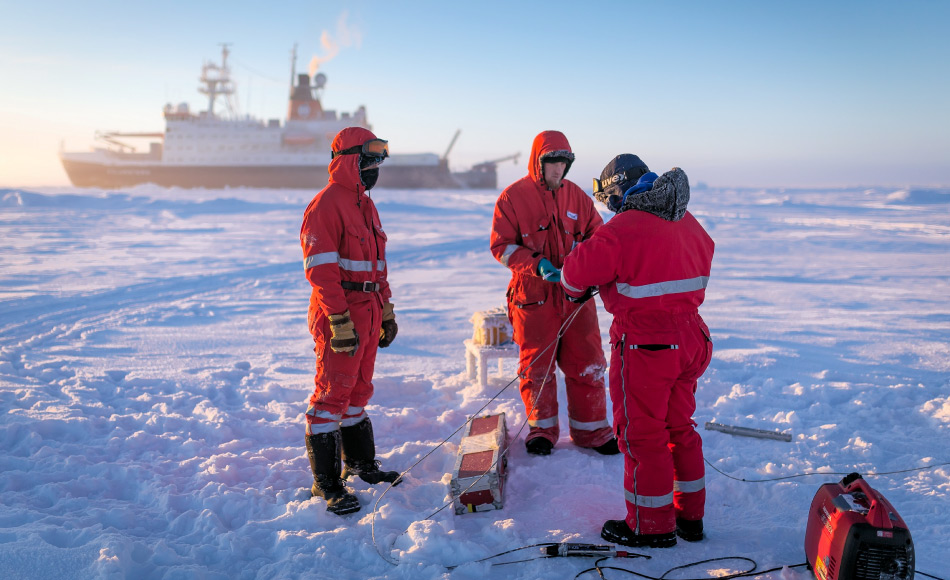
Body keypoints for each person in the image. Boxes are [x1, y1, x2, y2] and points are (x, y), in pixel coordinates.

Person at [560, 154, 714, 547]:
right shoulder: (687, 220)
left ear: (619, 190)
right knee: (679, 428)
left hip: (648, 345)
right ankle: (690, 518)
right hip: (692, 337)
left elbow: (574, 274)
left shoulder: (623, 228)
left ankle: (651, 526)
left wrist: (580, 289)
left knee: (642, 435)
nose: (610, 207)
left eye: (609, 197)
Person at [490, 130, 619, 456]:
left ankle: (592, 432)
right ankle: (542, 431)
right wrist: (537, 265)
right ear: (539, 162)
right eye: (553, 162)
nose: (558, 169)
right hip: (533, 297)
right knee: (537, 369)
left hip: (577, 296)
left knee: (588, 363)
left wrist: (587, 268)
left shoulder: (578, 197)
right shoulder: (512, 198)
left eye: (564, 163)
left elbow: (598, 237)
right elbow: (501, 246)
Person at [299, 126, 401, 515]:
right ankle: (326, 483)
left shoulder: (367, 206)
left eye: (378, 163)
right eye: (369, 162)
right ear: (349, 161)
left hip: (369, 309)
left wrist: (386, 310)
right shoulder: (326, 205)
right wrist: (339, 320)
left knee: (358, 390)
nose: (375, 170)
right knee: (332, 394)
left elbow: (377, 266)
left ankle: (360, 465)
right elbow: (321, 271)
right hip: (339, 311)